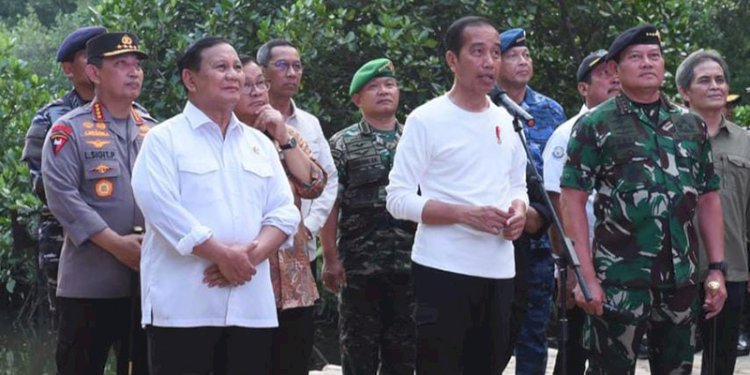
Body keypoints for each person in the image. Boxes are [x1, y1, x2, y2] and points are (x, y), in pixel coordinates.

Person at [560, 24, 728, 374]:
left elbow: (709, 197)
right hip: (618, 281)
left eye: (654, 56)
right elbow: (572, 200)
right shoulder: (596, 124)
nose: (647, 63)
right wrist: (585, 276)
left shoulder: (690, 126)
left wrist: (716, 269)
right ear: (616, 71)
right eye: (635, 57)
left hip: (680, 281)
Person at [131, 37, 299, 374]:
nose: (234, 75)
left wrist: (247, 257)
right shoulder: (163, 140)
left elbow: (285, 211)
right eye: (221, 67)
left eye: (237, 66)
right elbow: (161, 207)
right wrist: (222, 255)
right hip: (183, 307)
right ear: (190, 80)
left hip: (251, 306)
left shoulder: (259, 144)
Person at [386, 16, 528, 374]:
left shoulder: (506, 121)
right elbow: (398, 199)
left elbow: (518, 185)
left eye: (495, 53)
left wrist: (519, 209)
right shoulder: (426, 119)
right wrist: (465, 215)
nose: (489, 62)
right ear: (452, 60)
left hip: (499, 270)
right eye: (477, 52)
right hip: (442, 269)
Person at [41, 31, 153, 375]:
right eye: (121, 64)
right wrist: (117, 245)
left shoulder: (155, 130)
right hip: (90, 283)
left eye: (136, 65)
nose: (133, 71)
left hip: (147, 281)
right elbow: (63, 197)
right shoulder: (67, 130)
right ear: (93, 73)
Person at [230, 55, 326, 375]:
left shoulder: (287, 135)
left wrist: (283, 138)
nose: (257, 92)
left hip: (295, 281)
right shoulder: (222, 140)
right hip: (246, 277)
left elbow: (313, 184)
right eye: (247, 85)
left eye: (261, 83)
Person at [321, 58, 417, 375]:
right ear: (357, 99)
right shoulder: (342, 143)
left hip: (410, 265)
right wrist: (331, 259)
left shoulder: (415, 139)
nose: (383, 91)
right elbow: (330, 204)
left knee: (403, 355)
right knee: (358, 354)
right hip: (359, 268)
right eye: (373, 87)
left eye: (389, 85)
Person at [492, 27, 566, 374]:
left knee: (534, 332)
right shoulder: (483, 107)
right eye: (513, 56)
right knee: (489, 333)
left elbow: (559, 178)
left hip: (536, 240)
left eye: (526, 55)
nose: (523, 62)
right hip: (490, 236)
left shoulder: (550, 110)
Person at [542, 49, 620, 375]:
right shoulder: (568, 133)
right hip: (581, 257)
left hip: (625, 259)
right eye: (602, 74)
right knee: (573, 348)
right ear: (583, 88)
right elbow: (556, 204)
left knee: (615, 349)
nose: (613, 78)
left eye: (615, 71)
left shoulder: (634, 128)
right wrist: (567, 268)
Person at [21, 25, 106, 324]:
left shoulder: (135, 115)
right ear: (68, 69)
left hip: (127, 241)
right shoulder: (50, 119)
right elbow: (43, 183)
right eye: (89, 55)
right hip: (67, 242)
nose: (99, 60)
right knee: (75, 341)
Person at [676, 49, 750, 375]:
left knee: (720, 362)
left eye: (720, 79)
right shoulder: (667, 138)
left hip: (731, 267)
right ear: (684, 91)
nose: (715, 86)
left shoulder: (745, 142)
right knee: (673, 359)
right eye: (704, 80)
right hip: (675, 267)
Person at [257, 39, 338, 277]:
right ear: (263, 71)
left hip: (300, 250)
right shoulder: (244, 120)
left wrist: (310, 226)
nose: (292, 73)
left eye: (297, 66)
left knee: (301, 314)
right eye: (282, 65)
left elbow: (329, 178)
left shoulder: (309, 124)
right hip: (257, 250)